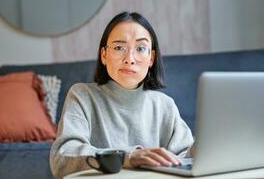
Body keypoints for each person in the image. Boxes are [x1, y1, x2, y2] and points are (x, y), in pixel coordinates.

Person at [50, 12, 194, 179]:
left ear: (151, 58)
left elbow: (185, 157)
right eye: (119, 47)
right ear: (104, 55)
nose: (130, 59)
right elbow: (63, 157)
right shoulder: (82, 95)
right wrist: (127, 157)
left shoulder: (165, 105)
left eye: (140, 48)